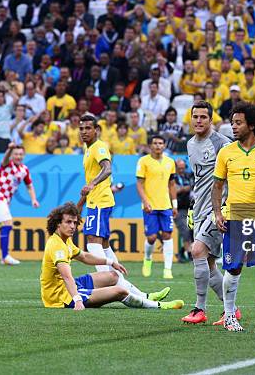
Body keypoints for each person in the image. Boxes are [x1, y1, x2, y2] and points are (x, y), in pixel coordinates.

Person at [78, 115, 169, 300]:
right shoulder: (87, 150)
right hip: (97, 201)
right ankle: (141, 294)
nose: (84, 132)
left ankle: (108, 280)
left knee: (92, 242)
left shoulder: (99, 147)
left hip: (99, 202)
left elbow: (108, 168)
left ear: (97, 130)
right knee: (103, 246)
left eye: (88, 128)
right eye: (81, 128)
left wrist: (93, 184)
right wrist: (81, 203)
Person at [41, 202, 183, 310]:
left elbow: (84, 256)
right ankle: (159, 305)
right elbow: (66, 277)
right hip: (60, 296)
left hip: (69, 287)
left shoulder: (65, 240)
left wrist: (110, 262)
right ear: (58, 224)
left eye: (74, 222)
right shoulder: (56, 246)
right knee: (119, 292)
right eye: (68, 222)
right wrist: (77, 299)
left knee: (113, 275)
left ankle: (145, 296)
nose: (73, 226)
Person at [211, 102, 255, 331]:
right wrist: (218, 213)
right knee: (234, 268)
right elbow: (217, 186)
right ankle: (229, 315)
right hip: (235, 218)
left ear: (252, 125)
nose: (234, 127)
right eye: (232, 123)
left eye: (238, 123)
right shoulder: (226, 152)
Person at [181, 101, 240, 325]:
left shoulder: (222, 144)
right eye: (195, 116)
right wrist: (192, 206)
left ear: (211, 120)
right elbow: (199, 179)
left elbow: (230, 177)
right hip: (199, 208)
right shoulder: (189, 144)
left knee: (197, 251)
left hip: (217, 210)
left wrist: (224, 208)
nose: (198, 121)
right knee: (210, 263)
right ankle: (230, 310)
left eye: (203, 117)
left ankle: (199, 308)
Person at [136, 135, 178, 279]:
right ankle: (147, 259)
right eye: (155, 143)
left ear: (164, 146)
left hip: (166, 205)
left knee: (167, 235)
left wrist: (175, 204)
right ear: (150, 146)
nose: (158, 146)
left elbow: (172, 184)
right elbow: (139, 184)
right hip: (150, 206)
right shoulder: (143, 161)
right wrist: (145, 201)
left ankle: (168, 269)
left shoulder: (170, 162)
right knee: (152, 237)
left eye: (161, 143)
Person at [173, 159, 193, 263]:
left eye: (183, 168)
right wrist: (186, 188)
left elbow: (192, 187)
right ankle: (190, 255)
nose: (181, 170)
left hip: (189, 208)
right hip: (178, 209)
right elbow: (175, 190)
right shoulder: (172, 177)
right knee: (185, 231)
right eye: (179, 168)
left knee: (191, 231)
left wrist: (183, 188)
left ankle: (181, 253)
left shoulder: (188, 176)